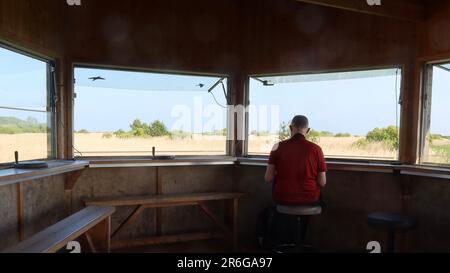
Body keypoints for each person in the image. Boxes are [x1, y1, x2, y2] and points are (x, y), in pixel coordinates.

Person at [265, 115, 327, 206]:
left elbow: (268, 178)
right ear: (308, 130)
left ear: (290, 128)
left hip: (283, 197)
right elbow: (322, 182)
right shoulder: (316, 149)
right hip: (309, 198)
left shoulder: (277, 147)